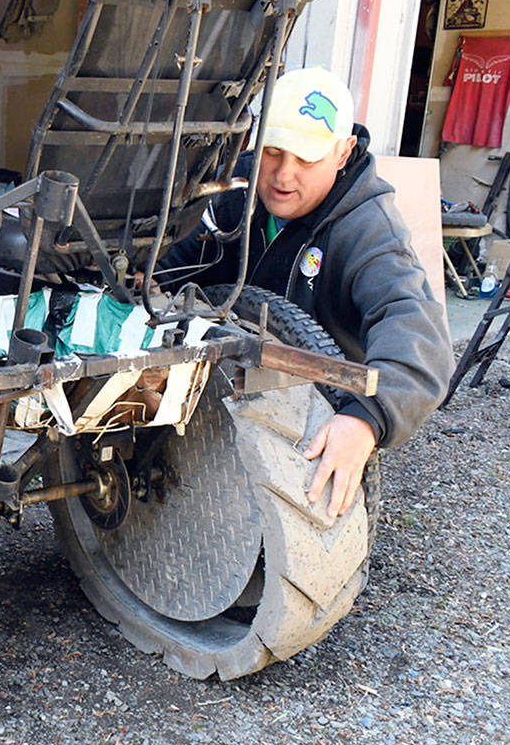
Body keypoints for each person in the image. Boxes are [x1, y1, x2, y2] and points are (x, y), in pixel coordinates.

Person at [158, 66, 454, 518]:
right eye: (272, 152)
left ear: (343, 152)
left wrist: (367, 417)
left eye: (306, 159)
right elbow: (176, 265)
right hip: (225, 373)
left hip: (316, 399)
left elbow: (415, 328)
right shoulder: (235, 190)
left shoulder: (369, 228)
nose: (283, 174)